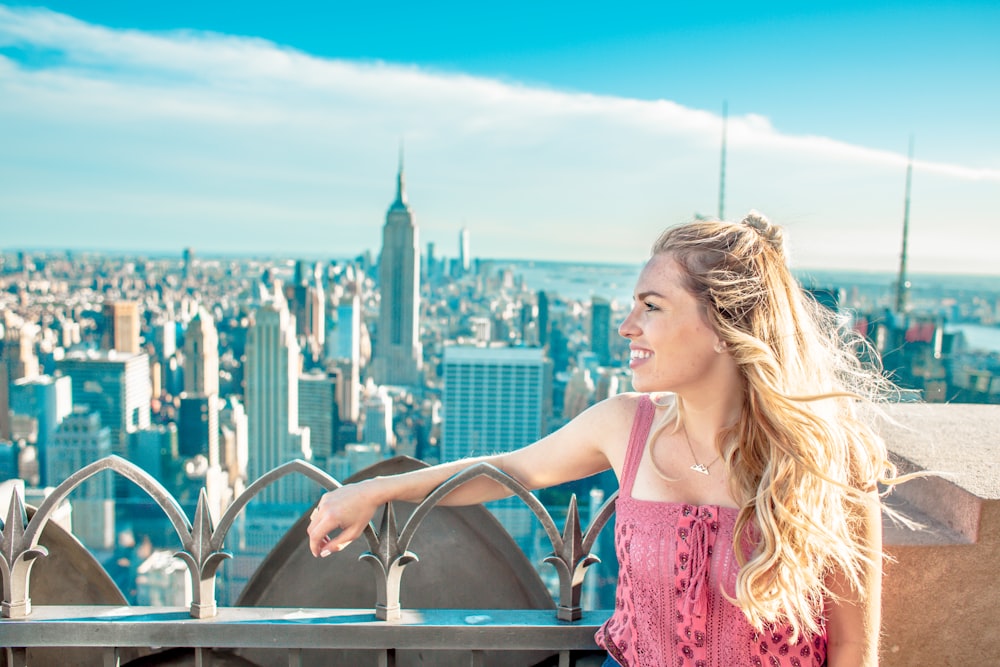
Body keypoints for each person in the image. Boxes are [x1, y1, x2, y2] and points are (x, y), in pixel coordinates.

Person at [307, 212, 899, 666]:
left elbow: (852, 651)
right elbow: (506, 471)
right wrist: (377, 489)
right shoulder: (626, 424)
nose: (627, 326)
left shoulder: (826, 462)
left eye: (651, 307)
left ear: (725, 327)